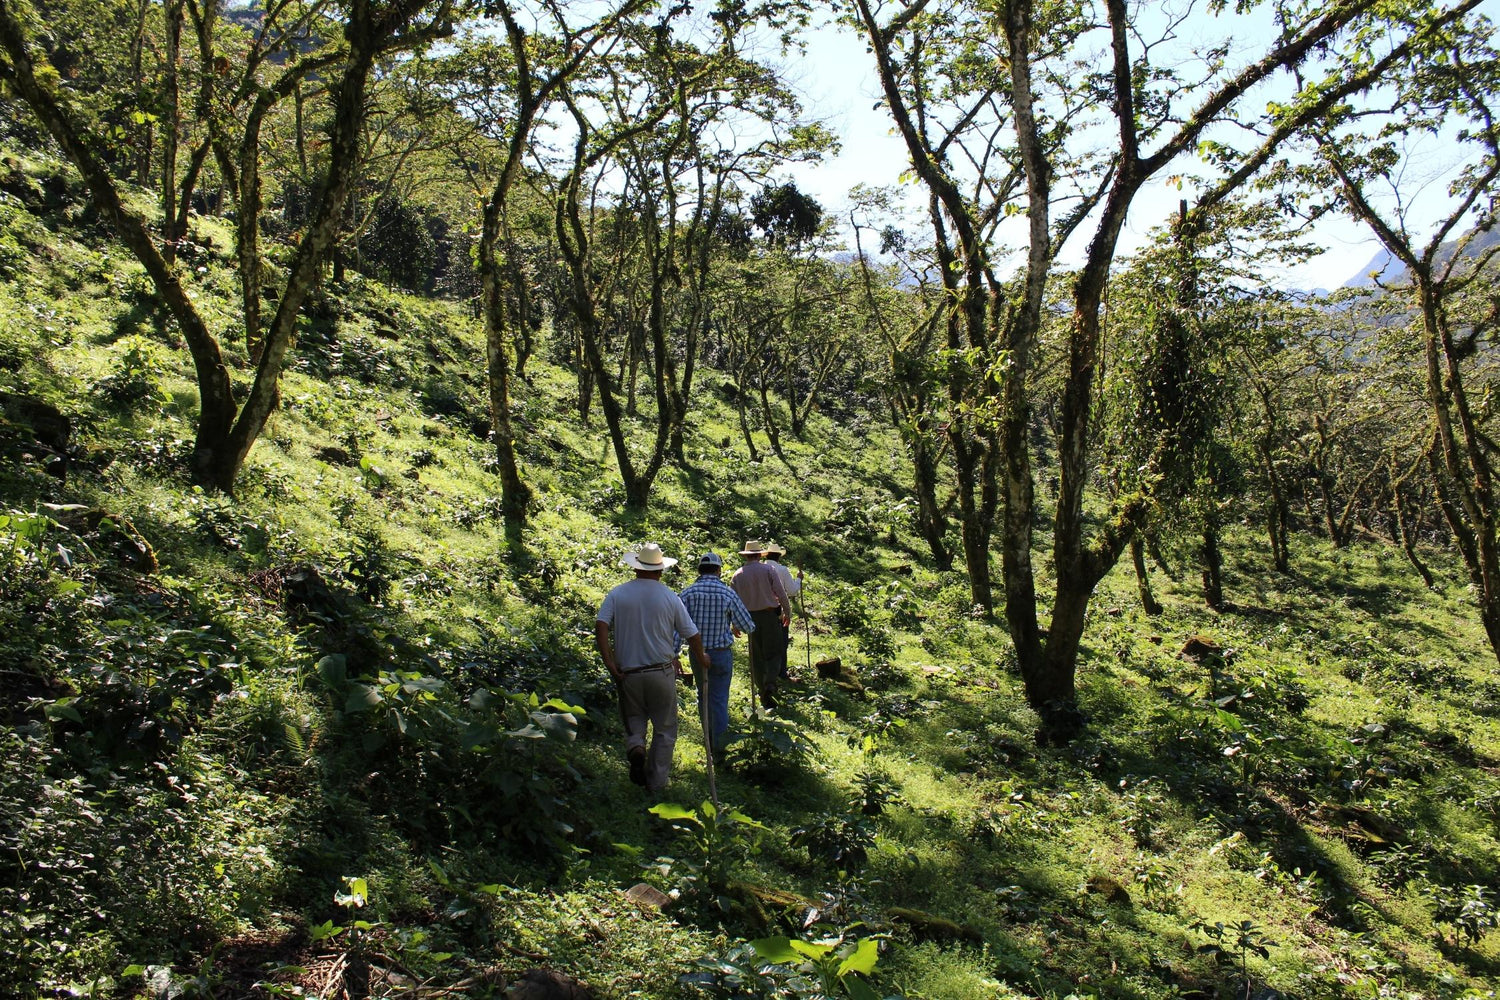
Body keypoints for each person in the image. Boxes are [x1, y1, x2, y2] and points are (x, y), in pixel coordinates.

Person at [596, 543, 712, 794]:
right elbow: (691, 633)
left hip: (629, 672)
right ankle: (656, 783)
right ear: (660, 571)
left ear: (636, 568)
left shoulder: (618, 594)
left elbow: (601, 625)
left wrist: (609, 662)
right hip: (660, 671)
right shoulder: (669, 596)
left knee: (634, 717)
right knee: (665, 727)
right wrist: (701, 657)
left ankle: (636, 746)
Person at [676, 552, 756, 754]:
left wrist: (674, 653)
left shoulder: (687, 593)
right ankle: (719, 746)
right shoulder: (727, 593)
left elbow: (675, 627)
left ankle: (708, 739)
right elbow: (747, 625)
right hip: (721, 653)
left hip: (697, 653)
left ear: (699, 571)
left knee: (703, 695)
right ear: (719, 570)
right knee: (719, 698)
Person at [730, 540, 791, 709]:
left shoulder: (737, 574)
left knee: (756, 655)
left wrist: (735, 623)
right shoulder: (768, 569)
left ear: (747, 556)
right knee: (774, 651)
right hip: (770, 615)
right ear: (759, 555)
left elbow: (733, 602)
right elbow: (781, 593)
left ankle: (761, 688)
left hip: (749, 618)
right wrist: (787, 612)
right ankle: (770, 683)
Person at [765, 541, 803, 681]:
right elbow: (792, 591)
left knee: (766, 642)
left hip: (762, 610)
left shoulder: (761, 568)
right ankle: (781, 672)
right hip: (779, 611)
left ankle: (767, 672)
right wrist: (798, 579)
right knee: (781, 643)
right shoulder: (782, 570)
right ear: (779, 556)